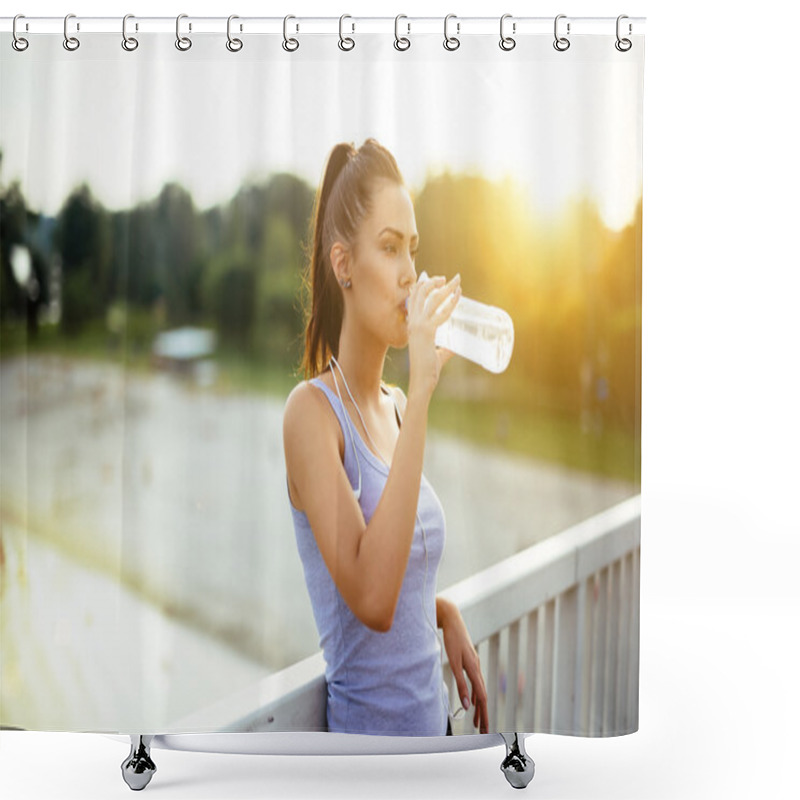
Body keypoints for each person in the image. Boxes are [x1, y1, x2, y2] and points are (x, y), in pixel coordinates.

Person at [282, 138, 489, 736]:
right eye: (390, 248)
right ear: (343, 264)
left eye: (413, 251)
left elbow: (397, 575)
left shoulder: (396, 407)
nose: (409, 275)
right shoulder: (311, 415)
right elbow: (370, 600)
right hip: (369, 767)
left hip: (433, 748)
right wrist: (423, 393)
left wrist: (441, 610)